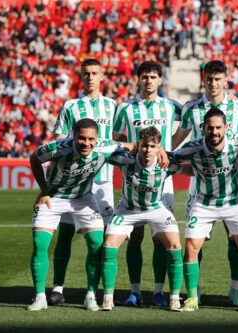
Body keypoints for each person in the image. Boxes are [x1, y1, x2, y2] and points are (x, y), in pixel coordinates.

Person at [172, 60, 238, 306]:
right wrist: (164, 156)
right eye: (209, 79)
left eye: (218, 79)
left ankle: (236, 289)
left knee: (235, 239)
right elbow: (177, 139)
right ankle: (194, 291)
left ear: (225, 80)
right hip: (200, 184)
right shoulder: (191, 108)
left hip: (230, 183)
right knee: (195, 241)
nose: (213, 83)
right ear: (203, 80)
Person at [27, 118, 125, 311]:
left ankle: (90, 295)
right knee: (40, 243)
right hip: (54, 198)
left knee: (97, 244)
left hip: (83, 199)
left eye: (91, 139)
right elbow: (34, 158)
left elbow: (133, 146)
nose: (86, 143)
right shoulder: (58, 147)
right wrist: (44, 190)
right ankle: (39, 297)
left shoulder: (106, 146)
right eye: (81, 138)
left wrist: (161, 151)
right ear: (73, 135)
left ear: (97, 139)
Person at [113, 61, 182, 307]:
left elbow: (194, 120)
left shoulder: (172, 106)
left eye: (153, 76)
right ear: (138, 80)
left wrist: (169, 145)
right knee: (135, 236)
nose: (149, 81)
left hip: (163, 180)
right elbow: (114, 137)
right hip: (134, 178)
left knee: (160, 237)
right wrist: (131, 147)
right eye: (144, 77)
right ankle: (135, 292)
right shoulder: (126, 109)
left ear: (160, 80)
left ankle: (159, 292)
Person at [48, 58, 117, 306]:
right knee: (65, 234)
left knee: (100, 239)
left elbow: (117, 139)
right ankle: (57, 287)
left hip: (103, 180)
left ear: (102, 77)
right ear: (81, 76)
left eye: (94, 73)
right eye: (86, 73)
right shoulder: (71, 106)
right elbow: (58, 142)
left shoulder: (112, 106)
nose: (90, 77)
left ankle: (93, 291)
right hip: (73, 181)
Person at [100, 127, 189, 312]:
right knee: (109, 244)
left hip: (156, 209)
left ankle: (172, 298)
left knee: (174, 245)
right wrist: (127, 145)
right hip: (128, 210)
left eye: (152, 146)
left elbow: (190, 166)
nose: (148, 150)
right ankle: (110, 298)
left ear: (159, 147)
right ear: (138, 145)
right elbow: (100, 146)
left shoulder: (167, 162)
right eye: (144, 146)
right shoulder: (125, 159)